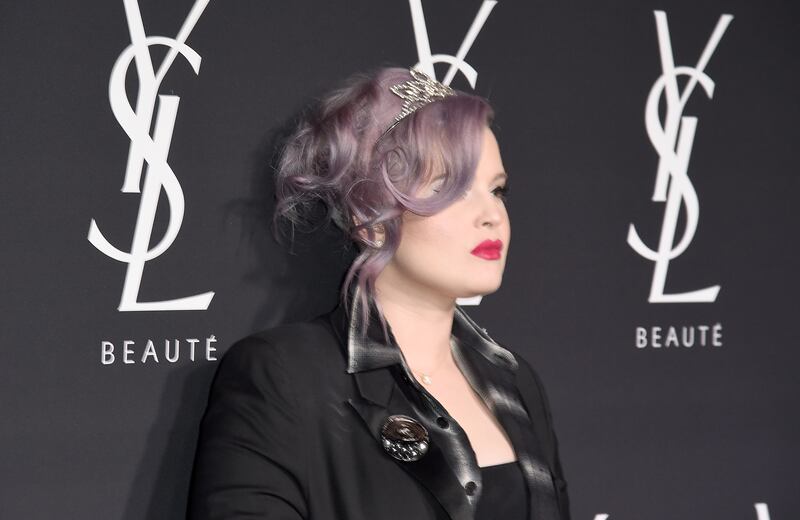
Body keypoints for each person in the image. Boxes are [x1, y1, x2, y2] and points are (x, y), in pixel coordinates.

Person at [187, 66, 570, 520]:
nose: (492, 215)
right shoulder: (284, 378)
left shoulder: (515, 382)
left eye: (497, 190)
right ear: (369, 218)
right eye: (452, 189)